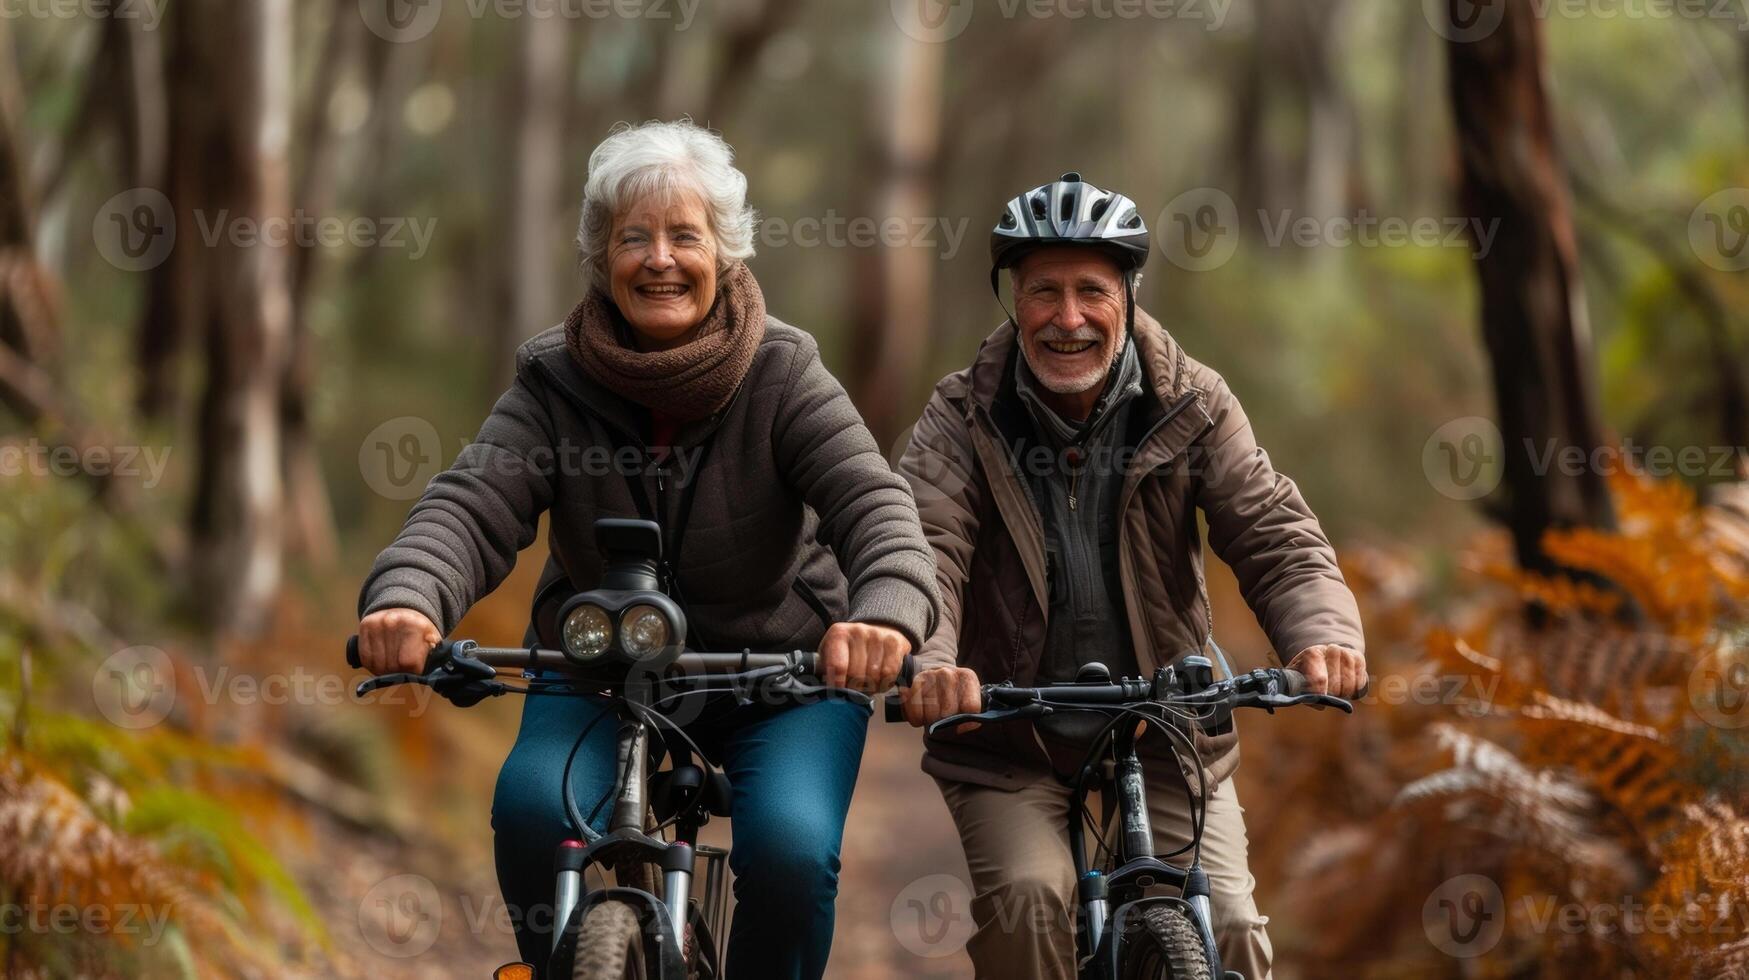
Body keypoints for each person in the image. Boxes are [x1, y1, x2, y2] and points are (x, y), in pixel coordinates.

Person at [354, 119, 941, 978]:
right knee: (528, 813)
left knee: (787, 853)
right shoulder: (554, 379)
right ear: (602, 256)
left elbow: (876, 506)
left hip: (774, 675)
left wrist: (885, 615)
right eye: (634, 238)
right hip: (598, 661)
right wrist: (407, 595)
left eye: (683, 235)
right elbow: (472, 505)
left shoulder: (784, 372)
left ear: (725, 250)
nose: (659, 258)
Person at [896, 173, 1367, 979]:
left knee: (1231, 928)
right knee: (1029, 903)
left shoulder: (1192, 403)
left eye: (1090, 291)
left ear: (1129, 294)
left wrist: (1323, 636)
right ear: (1012, 297)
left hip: (1170, 727)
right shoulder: (960, 416)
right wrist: (931, 662)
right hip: (1011, 736)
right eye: (1044, 291)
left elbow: (1273, 535)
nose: (1067, 318)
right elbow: (924, 547)